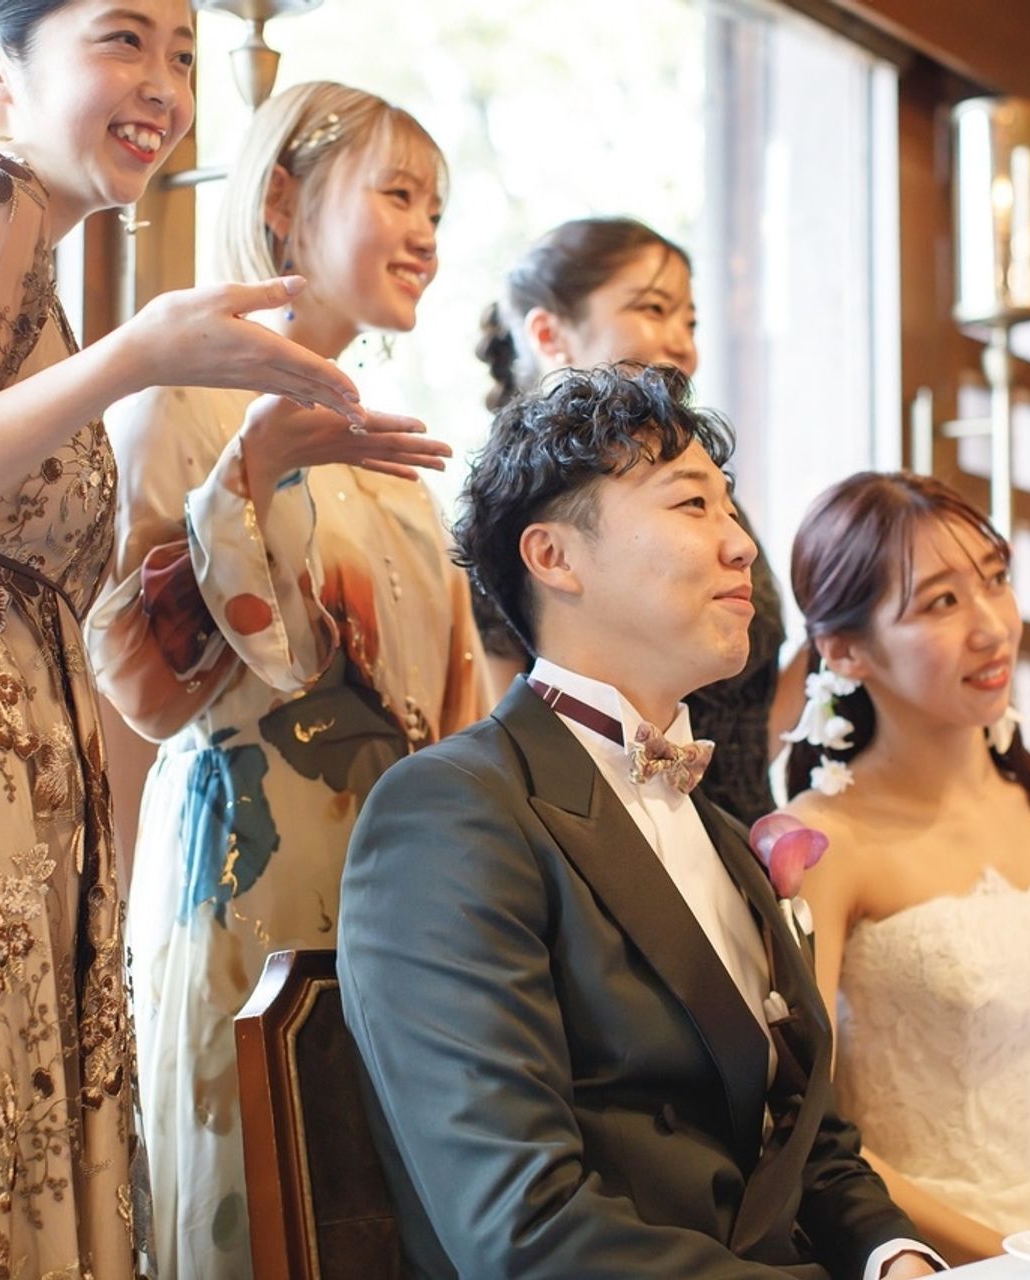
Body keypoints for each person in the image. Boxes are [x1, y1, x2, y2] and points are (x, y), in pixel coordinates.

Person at [338, 364, 944, 1279]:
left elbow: (807, 1145)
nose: (741, 545)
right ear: (555, 558)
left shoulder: (726, 834)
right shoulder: (452, 812)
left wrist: (897, 1261)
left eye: (731, 511)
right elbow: (524, 1228)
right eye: (692, 505)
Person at [0, 1, 379, 1273]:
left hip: (32, 802)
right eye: (123, 39)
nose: (164, 85)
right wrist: (137, 357)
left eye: (184, 55)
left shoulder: (35, 261)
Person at [84, 80, 490, 1277]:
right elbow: (137, 678)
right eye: (398, 195)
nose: (425, 234)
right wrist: (247, 478)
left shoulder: (383, 435)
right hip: (244, 870)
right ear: (279, 199)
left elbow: (450, 705)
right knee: (259, 1206)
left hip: (394, 883)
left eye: (437, 209)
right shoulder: (182, 396)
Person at [782, 471, 1030, 1264]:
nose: (992, 627)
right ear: (845, 650)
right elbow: (813, 1129)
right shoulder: (822, 841)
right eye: (941, 602)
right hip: (910, 1255)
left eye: (996, 579)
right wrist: (1021, 1261)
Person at [475, 215, 796, 825]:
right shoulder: (523, 513)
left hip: (731, 831)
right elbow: (503, 739)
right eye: (654, 309)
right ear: (548, 333)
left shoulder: (723, 511)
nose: (684, 344)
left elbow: (752, 716)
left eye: (691, 322)